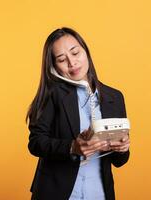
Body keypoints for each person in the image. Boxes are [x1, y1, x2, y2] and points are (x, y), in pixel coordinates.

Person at [26, 27, 130, 200]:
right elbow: (36, 143)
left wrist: (122, 148)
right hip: (58, 194)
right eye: (61, 59)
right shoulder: (52, 96)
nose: (72, 63)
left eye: (75, 53)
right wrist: (72, 147)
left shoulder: (114, 97)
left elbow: (120, 161)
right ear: (54, 67)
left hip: (99, 194)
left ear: (86, 51)